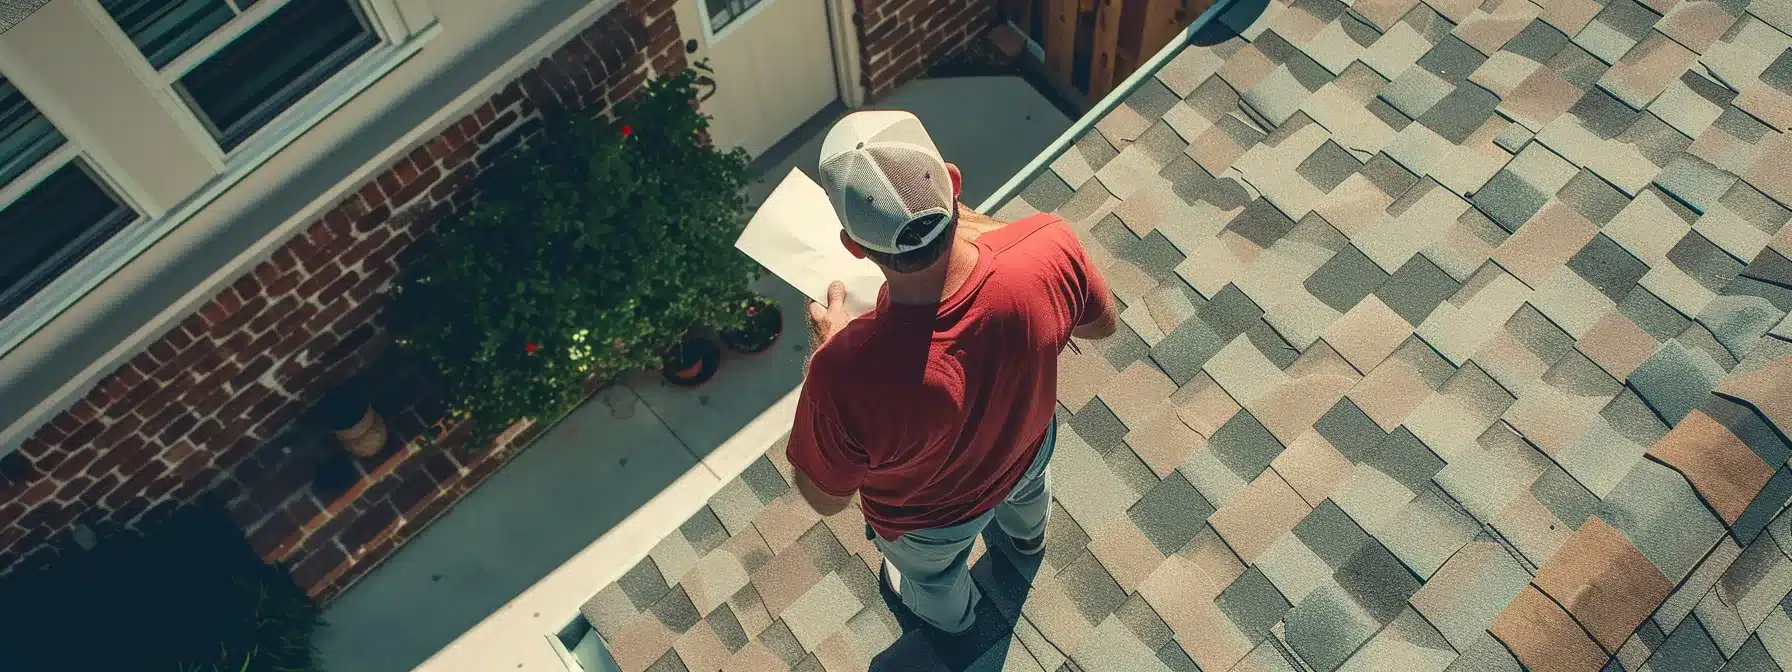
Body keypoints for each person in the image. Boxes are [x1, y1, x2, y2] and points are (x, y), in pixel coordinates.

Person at [786, 110, 1118, 634]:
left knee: (935, 578)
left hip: (930, 523)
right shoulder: (1047, 244)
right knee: (1030, 496)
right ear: (955, 184)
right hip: (1027, 451)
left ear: (853, 248)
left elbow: (825, 498)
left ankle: (958, 622)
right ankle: (1027, 540)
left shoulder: (842, 375)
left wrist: (825, 351)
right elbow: (1102, 328)